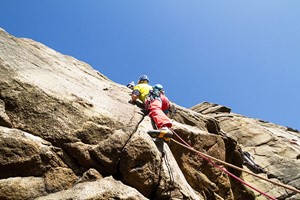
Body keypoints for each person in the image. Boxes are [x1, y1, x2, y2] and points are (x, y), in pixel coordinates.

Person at [130, 75, 173, 141]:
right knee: (161, 113)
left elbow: (135, 95)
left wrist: (133, 100)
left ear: (139, 81)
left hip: (154, 98)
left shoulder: (138, 86)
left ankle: (165, 128)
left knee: (154, 109)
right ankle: (166, 136)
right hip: (165, 101)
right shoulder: (150, 86)